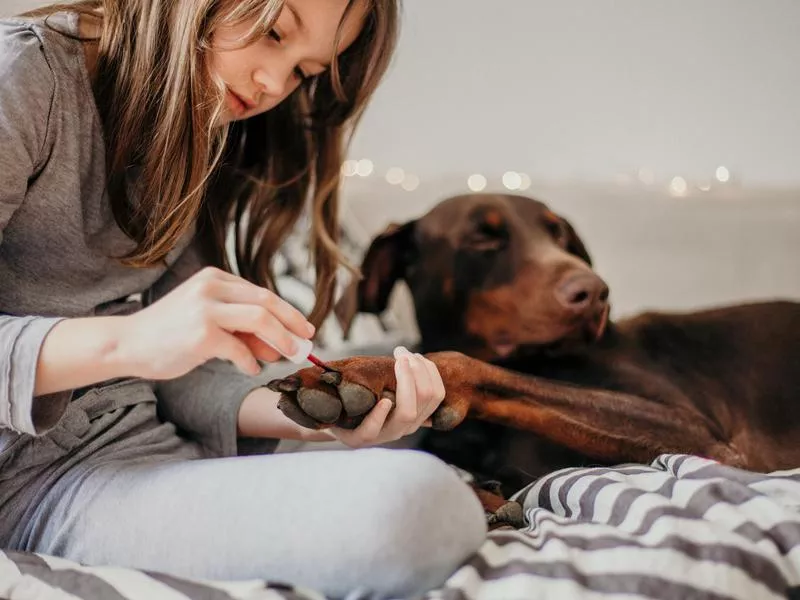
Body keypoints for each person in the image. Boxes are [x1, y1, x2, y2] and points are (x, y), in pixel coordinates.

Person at [0, 0, 486, 597]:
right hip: (32, 483)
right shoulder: (20, 77)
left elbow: (181, 377)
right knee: (424, 508)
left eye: (306, 72)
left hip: (150, 452)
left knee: (408, 389)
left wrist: (322, 417)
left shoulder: (191, 120)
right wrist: (131, 340)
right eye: (275, 32)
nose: (275, 84)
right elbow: (143, 351)